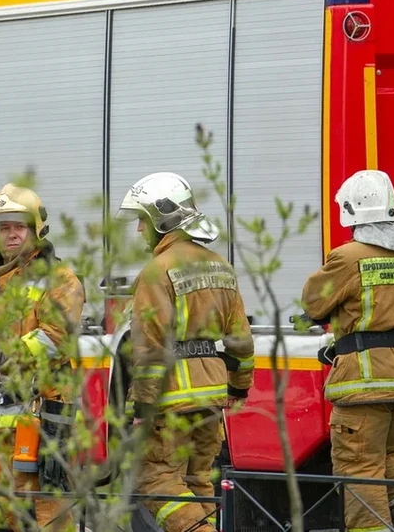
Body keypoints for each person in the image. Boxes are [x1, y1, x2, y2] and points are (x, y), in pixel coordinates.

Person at [115, 172, 254, 532]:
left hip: (171, 398)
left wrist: (142, 408)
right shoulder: (221, 266)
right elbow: (241, 338)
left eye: (142, 222)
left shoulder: (156, 271)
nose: (138, 232)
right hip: (212, 396)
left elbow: (151, 347)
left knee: (156, 482)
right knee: (196, 482)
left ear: (161, 219)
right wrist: (239, 386)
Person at [301, 169, 394, 532]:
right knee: (393, 456)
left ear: (350, 210)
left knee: (358, 466)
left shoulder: (348, 256)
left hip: (364, 377)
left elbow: (313, 303)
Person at [0, 183, 84, 531]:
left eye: (19, 226)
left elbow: (54, 339)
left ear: (36, 230)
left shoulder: (60, 280)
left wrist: (0, 352)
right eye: (3, 228)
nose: (11, 235)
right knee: (0, 510)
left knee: (48, 510)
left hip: (44, 416)